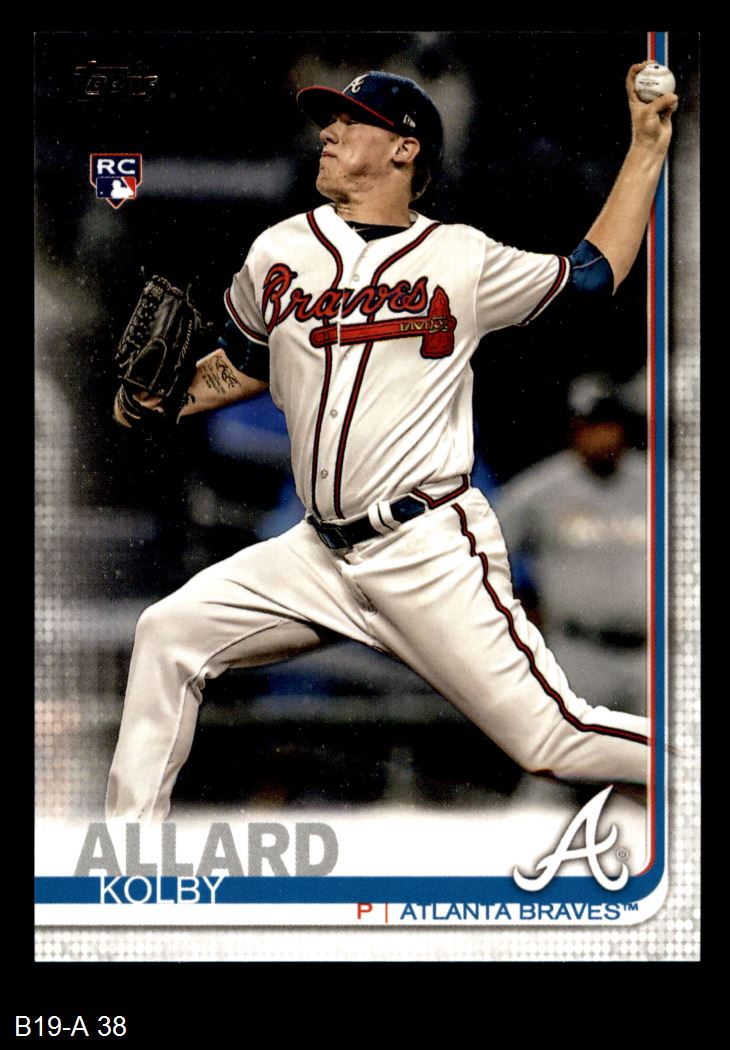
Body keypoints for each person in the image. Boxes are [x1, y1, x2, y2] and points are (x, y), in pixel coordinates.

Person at [106, 63, 677, 823]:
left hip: (424, 545)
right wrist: (161, 399)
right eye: (329, 120)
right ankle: (129, 860)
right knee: (167, 633)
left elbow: (593, 274)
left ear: (405, 149)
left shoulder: (460, 257)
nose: (330, 132)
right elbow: (244, 365)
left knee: (553, 740)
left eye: (352, 121)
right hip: (317, 552)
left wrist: (645, 148)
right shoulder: (279, 251)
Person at [494, 373, 647, 716]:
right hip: (577, 654)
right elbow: (479, 554)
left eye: (608, 423)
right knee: (570, 750)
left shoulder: (660, 483)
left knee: (663, 750)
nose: (601, 434)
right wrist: (516, 609)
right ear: (573, 430)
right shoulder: (540, 491)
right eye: (590, 424)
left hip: (651, 655)